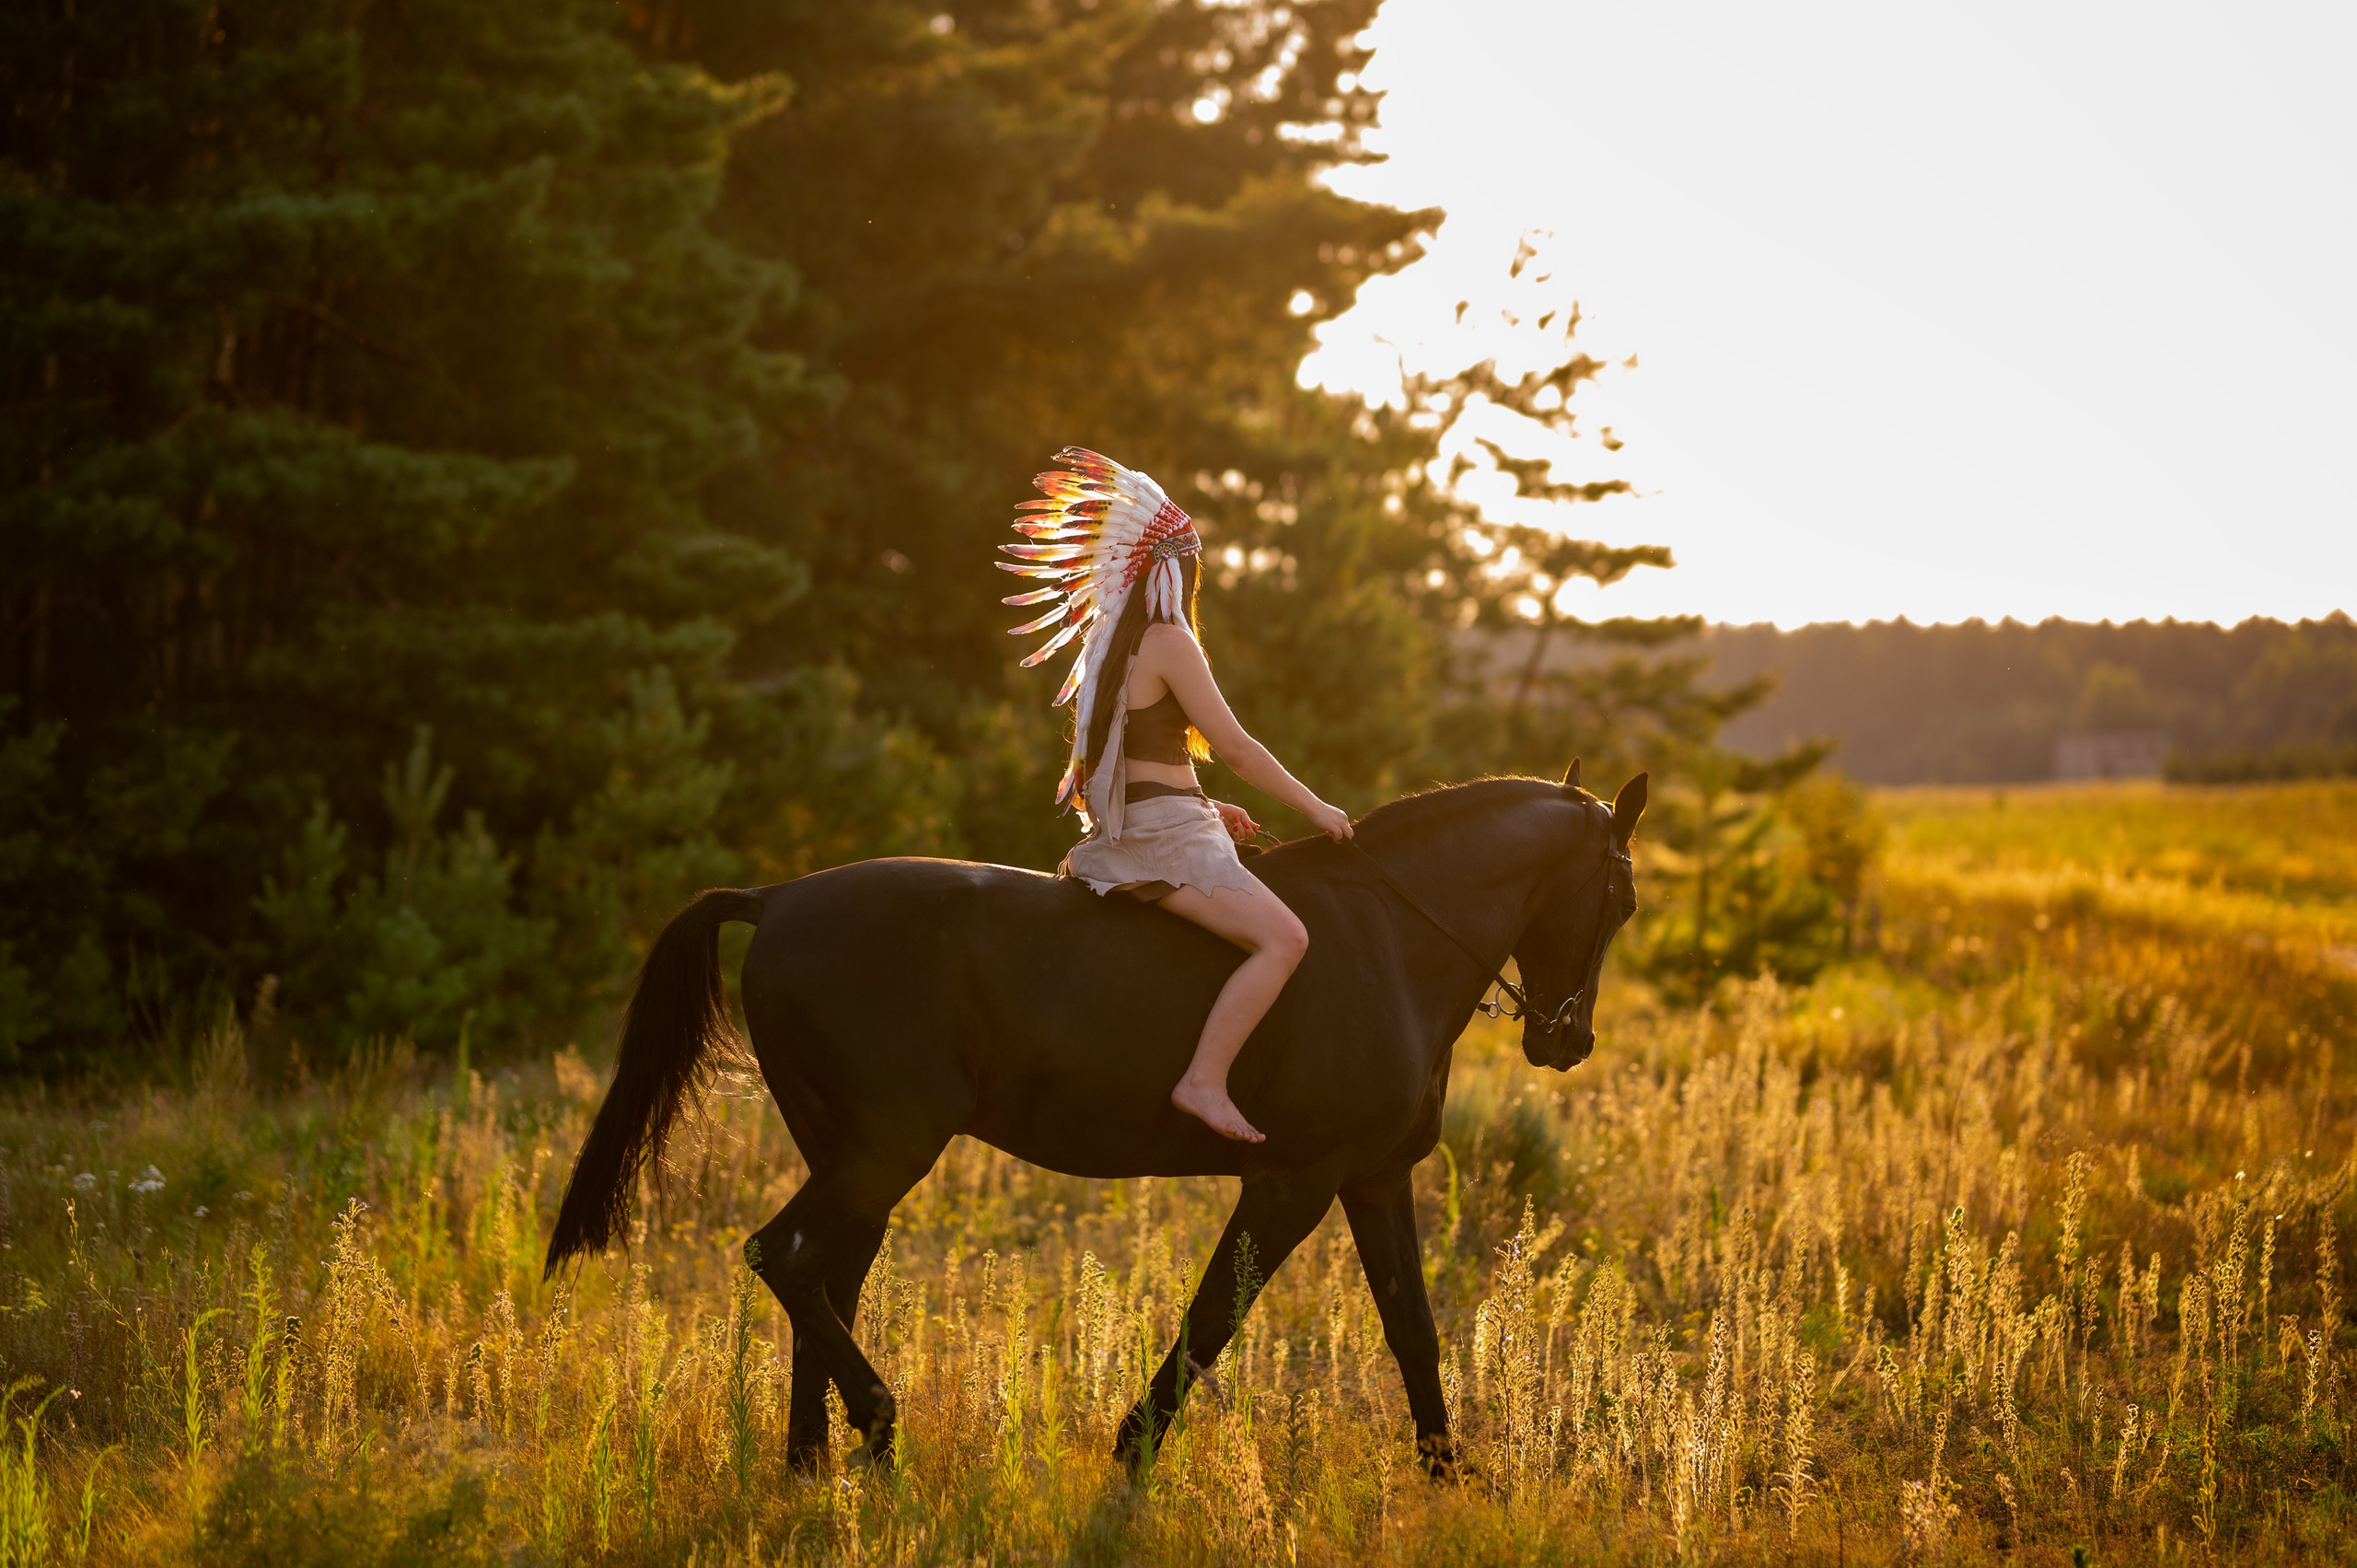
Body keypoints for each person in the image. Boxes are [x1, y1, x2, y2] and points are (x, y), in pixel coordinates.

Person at [997, 448, 1353, 1143]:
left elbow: (1131, 758)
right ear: (1174, 569)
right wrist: (1317, 808)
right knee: (1285, 938)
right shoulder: (1170, 639)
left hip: (1143, 825)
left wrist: (1206, 804)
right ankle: (1204, 1082)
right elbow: (1239, 747)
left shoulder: (1110, 644)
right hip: (1163, 837)